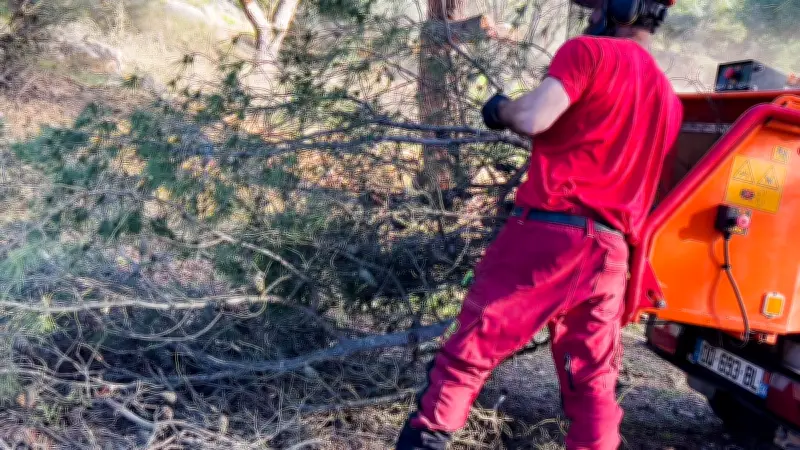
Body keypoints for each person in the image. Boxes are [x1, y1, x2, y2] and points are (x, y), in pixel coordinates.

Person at [394, 0, 684, 448]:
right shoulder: (670, 100)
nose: (589, 17)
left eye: (594, 7)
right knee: (592, 385)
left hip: (550, 235)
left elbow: (534, 117)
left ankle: (427, 439)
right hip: (610, 254)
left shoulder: (589, 52)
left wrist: (500, 110)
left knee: (468, 353)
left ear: (621, 7)